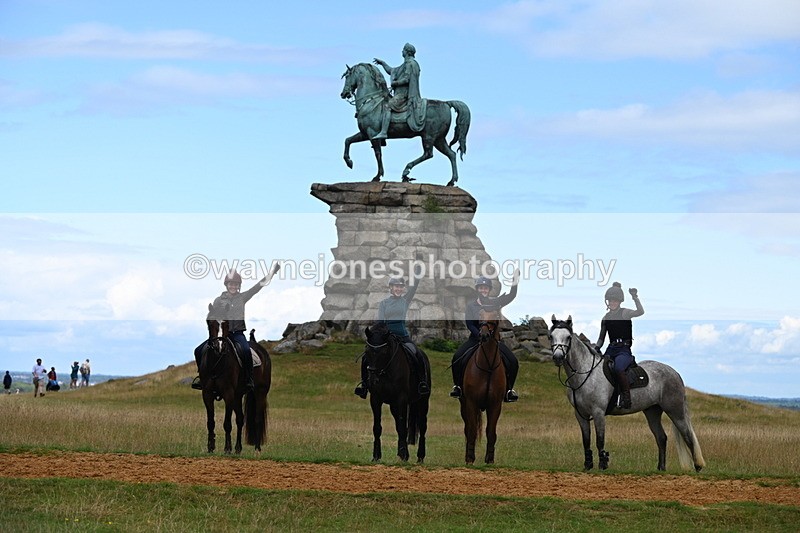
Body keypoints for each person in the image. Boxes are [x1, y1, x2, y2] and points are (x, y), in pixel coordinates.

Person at [192, 263, 281, 391]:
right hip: (222, 335)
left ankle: (249, 379)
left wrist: (272, 273)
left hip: (238, 334)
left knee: (245, 351)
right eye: (230, 284)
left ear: (238, 286)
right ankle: (202, 378)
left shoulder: (242, 297)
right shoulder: (218, 300)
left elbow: (259, 286)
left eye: (235, 284)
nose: (233, 286)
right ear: (226, 285)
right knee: (198, 350)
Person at [354, 270, 430, 398]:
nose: (398, 289)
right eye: (396, 286)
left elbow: (414, 287)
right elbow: (381, 322)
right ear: (390, 287)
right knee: (366, 357)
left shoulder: (405, 300)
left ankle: (422, 382)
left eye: (401, 287)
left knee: (417, 354)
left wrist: (417, 273)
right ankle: (364, 386)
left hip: (402, 336)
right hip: (387, 337)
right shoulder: (384, 303)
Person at [450, 272, 521, 403]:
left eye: (486, 288)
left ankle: (509, 390)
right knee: (457, 357)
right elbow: (470, 324)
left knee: (513, 361)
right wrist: (479, 334)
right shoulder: (471, 306)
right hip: (475, 339)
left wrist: (515, 282)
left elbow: (511, 296)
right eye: (481, 288)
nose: (484, 290)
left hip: (493, 341)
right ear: (477, 289)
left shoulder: (496, 302)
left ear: (489, 290)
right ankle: (458, 387)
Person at [595, 282, 644, 409]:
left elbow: (640, 311)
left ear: (620, 301)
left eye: (615, 300)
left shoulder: (625, 313)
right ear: (607, 301)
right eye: (611, 300)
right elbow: (601, 339)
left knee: (618, 369)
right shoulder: (605, 318)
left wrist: (635, 297)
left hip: (624, 350)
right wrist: (596, 348)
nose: (613, 303)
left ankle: (626, 398)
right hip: (610, 350)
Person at [372, 42, 425, 139]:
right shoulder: (405, 64)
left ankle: (384, 132)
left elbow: (407, 79)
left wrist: (395, 83)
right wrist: (383, 63)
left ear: (407, 52)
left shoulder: (410, 64)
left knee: (387, 106)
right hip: (400, 94)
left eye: (403, 50)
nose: (402, 51)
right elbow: (391, 70)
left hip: (404, 95)